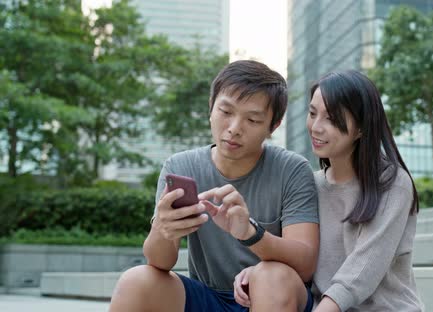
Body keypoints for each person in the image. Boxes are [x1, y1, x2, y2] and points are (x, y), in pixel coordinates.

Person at [109, 60, 319, 312]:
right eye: (226, 112)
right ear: (211, 108)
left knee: (270, 276)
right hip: (209, 296)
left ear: (273, 126)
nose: (234, 129)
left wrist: (250, 233)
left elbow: (305, 264)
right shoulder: (180, 166)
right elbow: (159, 262)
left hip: (275, 294)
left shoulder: (292, 169)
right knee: (136, 280)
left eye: (252, 120)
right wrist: (163, 230)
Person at [306, 70, 424, 311]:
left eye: (331, 118)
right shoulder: (309, 185)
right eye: (312, 113)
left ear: (361, 128)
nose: (316, 127)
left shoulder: (392, 184)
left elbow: (362, 270)